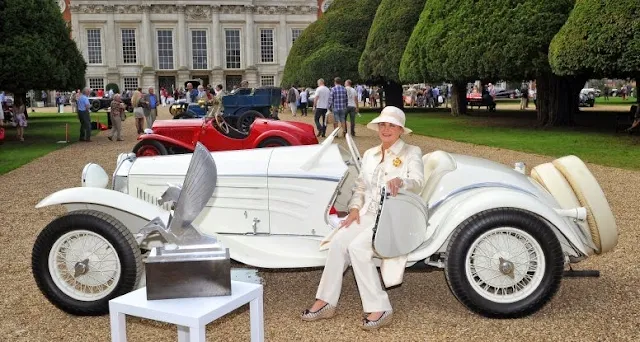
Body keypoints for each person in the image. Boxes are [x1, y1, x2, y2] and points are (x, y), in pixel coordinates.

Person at [302, 106, 425, 330]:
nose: (386, 129)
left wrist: (402, 182)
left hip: (393, 217)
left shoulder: (411, 152)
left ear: (400, 130)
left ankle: (380, 307)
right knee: (339, 242)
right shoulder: (370, 154)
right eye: (383, 125)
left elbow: (417, 181)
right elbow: (360, 186)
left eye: (392, 125)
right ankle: (326, 301)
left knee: (358, 248)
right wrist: (355, 208)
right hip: (368, 213)